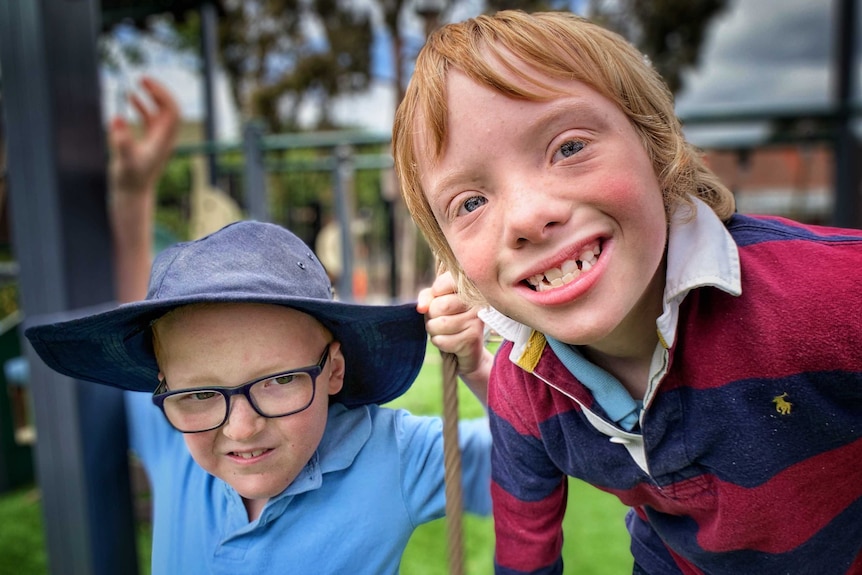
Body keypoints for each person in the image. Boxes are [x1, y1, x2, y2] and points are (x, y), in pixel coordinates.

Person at [392, 10, 862, 575]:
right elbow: (524, 552)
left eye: (568, 148)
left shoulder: (830, 294)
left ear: (655, 144)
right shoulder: (525, 389)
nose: (528, 216)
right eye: (469, 203)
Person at [24, 79, 492, 574]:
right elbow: (141, 316)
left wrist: (478, 368)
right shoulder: (174, 431)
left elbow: (529, 456)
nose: (241, 428)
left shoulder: (392, 455)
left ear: (333, 369)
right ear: (163, 389)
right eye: (201, 393)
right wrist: (135, 194)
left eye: (280, 380)